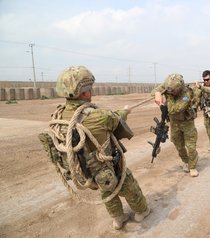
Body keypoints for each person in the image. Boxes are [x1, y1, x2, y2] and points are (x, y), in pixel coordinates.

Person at [39, 66, 150, 230]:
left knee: (106, 191)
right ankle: (141, 211)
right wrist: (125, 111)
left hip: (87, 173)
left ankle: (118, 218)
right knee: (128, 186)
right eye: (89, 89)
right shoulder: (98, 116)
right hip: (108, 167)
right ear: (84, 93)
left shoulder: (58, 117)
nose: (91, 92)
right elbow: (115, 120)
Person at [152, 73, 200, 177]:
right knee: (179, 146)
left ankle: (192, 166)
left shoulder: (187, 95)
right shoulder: (169, 87)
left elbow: (174, 109)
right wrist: (157, 93)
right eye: (169, 90)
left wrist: (166, 97)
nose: (171, 92)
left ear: (180, 87)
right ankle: (186, 161)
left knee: (191, 146)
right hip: (174, 123)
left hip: (187, 122)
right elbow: (154, 91)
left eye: (173, 91)